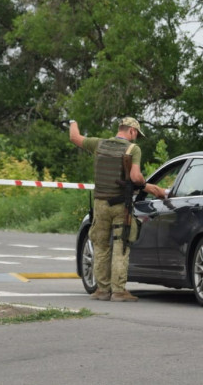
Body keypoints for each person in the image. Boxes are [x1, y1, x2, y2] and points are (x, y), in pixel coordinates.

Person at [69, 117, 166, 302]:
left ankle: (102, 290)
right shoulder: (132, 149)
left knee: (101, 245)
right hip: (121, 205)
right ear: (132, 131)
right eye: (136, 134)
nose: (135, 138)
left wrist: (73, 120)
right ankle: (119, 291)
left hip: (100, 204)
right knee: (121, 245)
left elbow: (74, 137)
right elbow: (135, 176)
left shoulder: (99, 144)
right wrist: (148, 186)